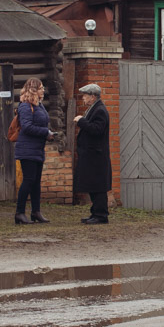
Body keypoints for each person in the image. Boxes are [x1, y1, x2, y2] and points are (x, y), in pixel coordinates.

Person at [14, 78, 54, 225]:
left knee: (36, 182)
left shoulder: (39, 105)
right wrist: (45, 132)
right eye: (41, 88)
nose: (43, 90)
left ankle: (36, 212)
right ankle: (19, 213)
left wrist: (49, 134)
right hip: (27, 150)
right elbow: (27, 127)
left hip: (37, 149)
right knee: (28, 180)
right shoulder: (25, 106)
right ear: (33, 89)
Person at [73, 83, 111, 224]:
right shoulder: (94, 108)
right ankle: (95, 213)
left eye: (85, 95)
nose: (83, 98)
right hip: (93, 155)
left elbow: (97, 129)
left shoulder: (100, 110)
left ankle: (101, 215)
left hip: (97, 156)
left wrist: (81, 121)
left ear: (93, 96)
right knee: (94, 185)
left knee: (98, 186)